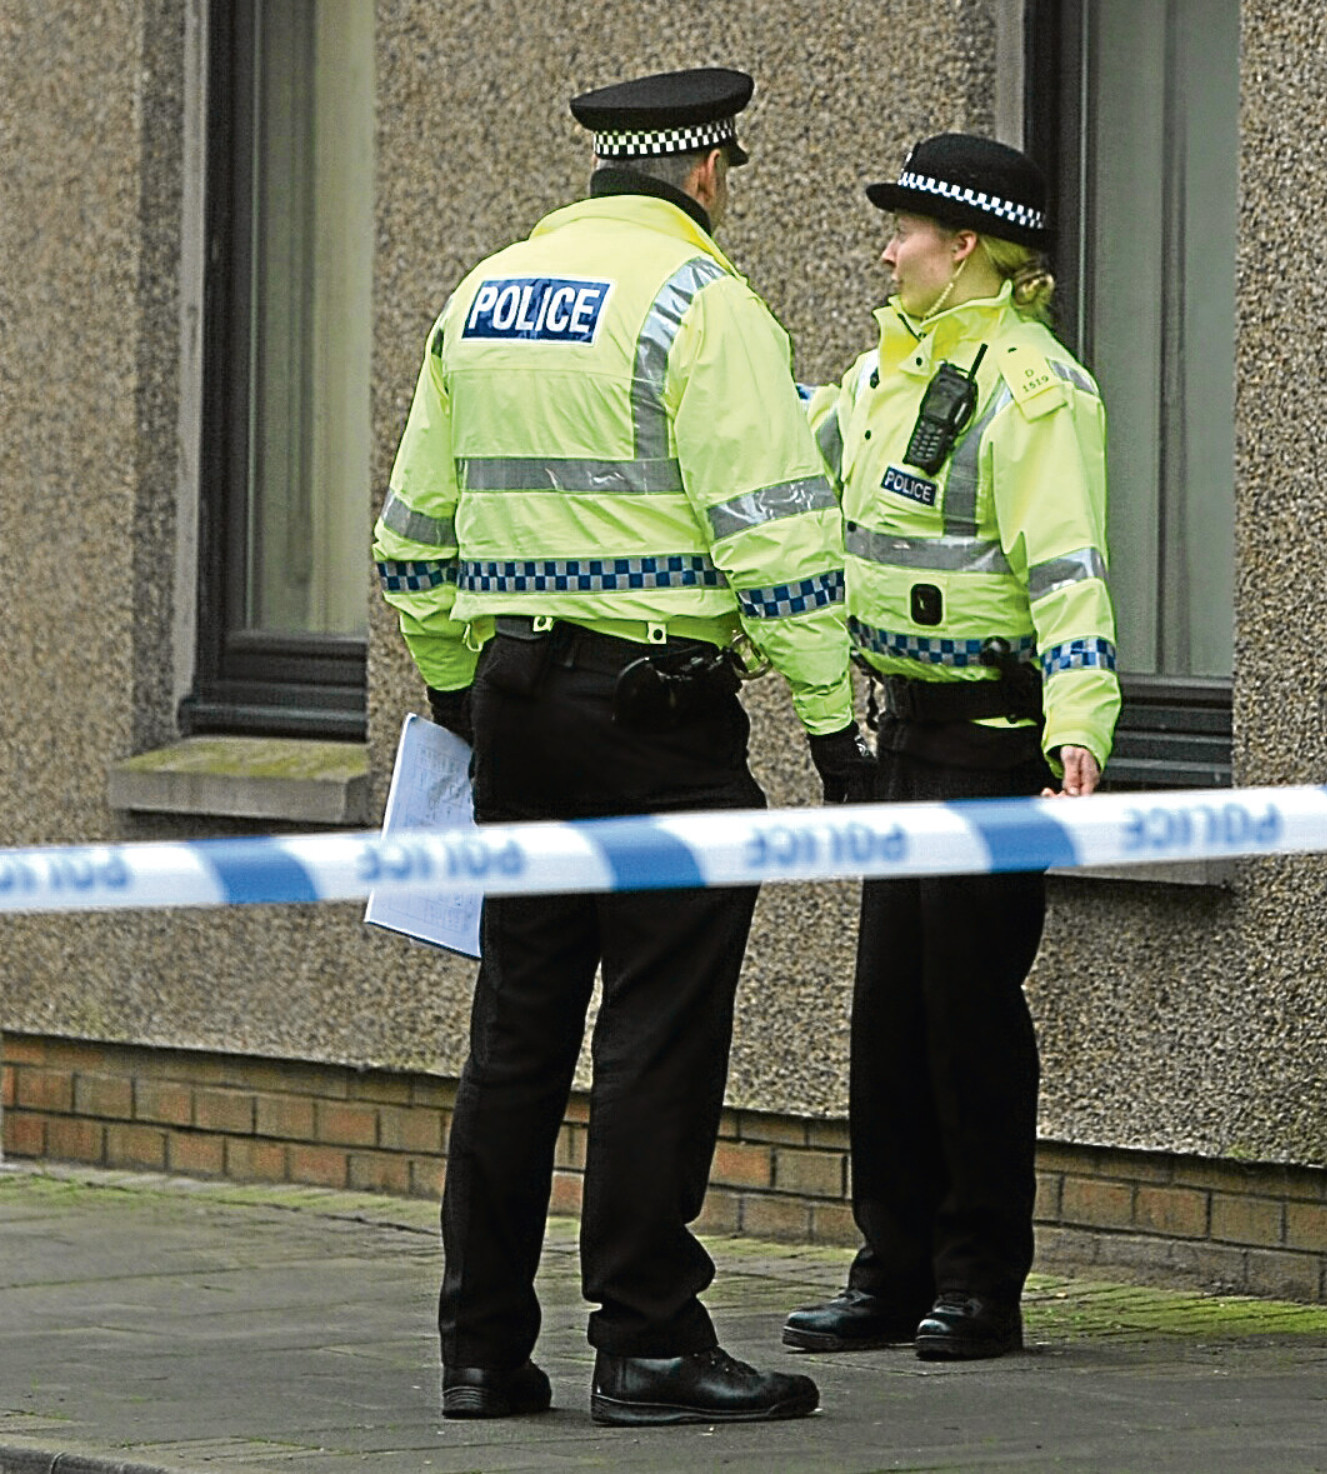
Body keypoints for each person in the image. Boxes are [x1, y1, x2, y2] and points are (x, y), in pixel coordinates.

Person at [373, 67, 865, 1425]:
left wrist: (465, 690)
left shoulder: (483, 297)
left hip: (521, 713)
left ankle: (480, 1348)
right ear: (706, 174)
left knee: (517, 1032)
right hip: (660, 725)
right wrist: (832, 726)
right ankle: (647, 1340)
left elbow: (412, 537)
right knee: (656, 1027)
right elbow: (776, 531)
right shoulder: (702, 304)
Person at [780, 134, 1118, 1363]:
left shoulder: (1033, 386)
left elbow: (1068, 570)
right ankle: (892, 1262)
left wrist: (1079, 726)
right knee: (888, 1016)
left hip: (987, 741)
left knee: (967, 1014)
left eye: (905, 231)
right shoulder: (882, 373)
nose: (887, 249)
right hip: (905, 737)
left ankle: (979, 1280)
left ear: (963, 244)